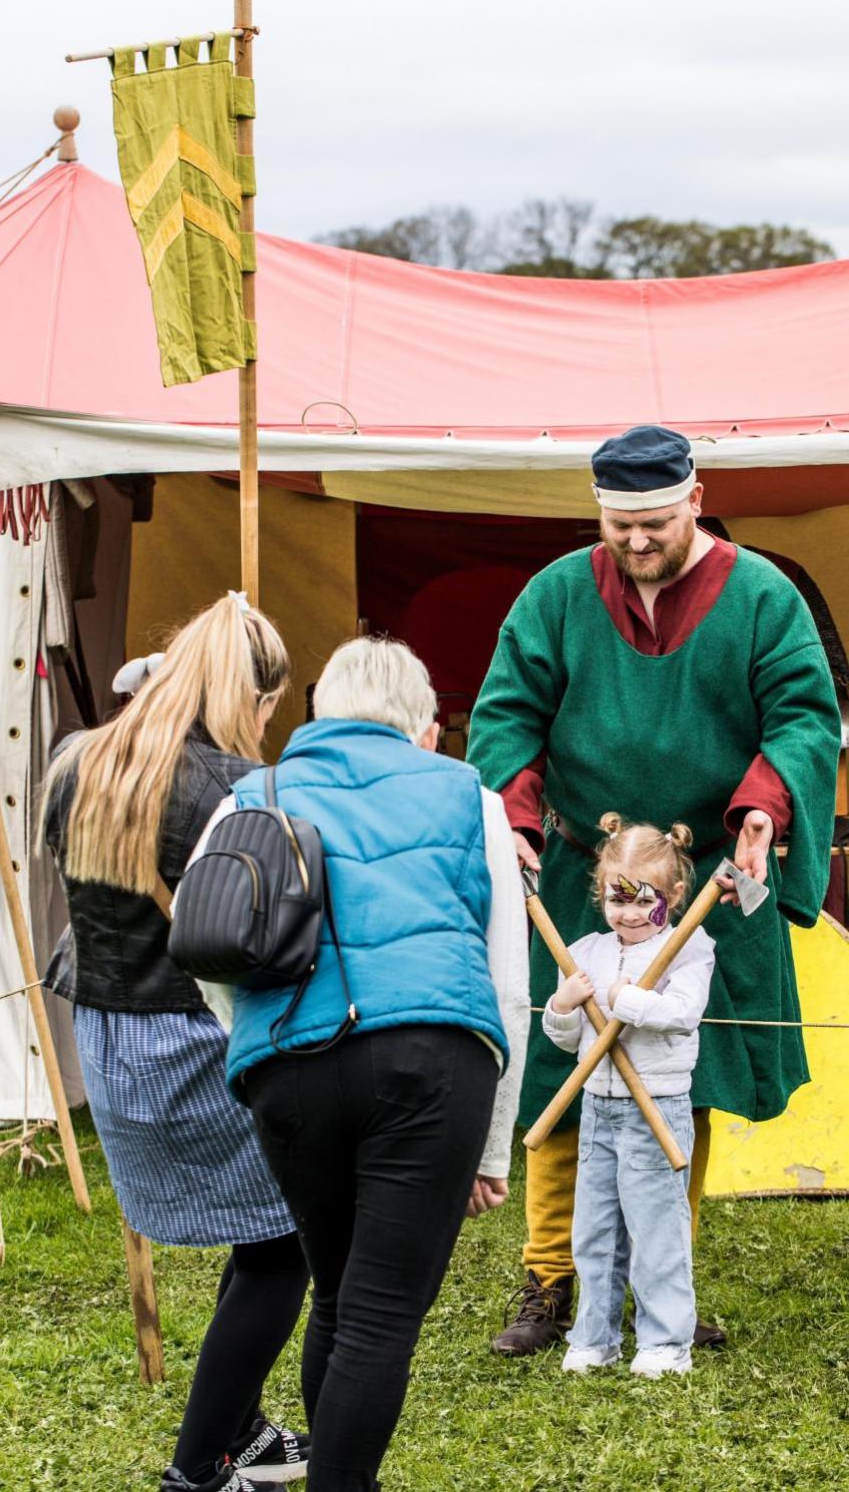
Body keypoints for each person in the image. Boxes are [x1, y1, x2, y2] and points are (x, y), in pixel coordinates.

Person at [467, 424, 841, 1358]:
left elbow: (805, 713)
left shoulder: (762, 597)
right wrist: (510, 817)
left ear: (696, 495)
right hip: (582, 873)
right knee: (564, 1067)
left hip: (711, 880)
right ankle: (552, 1279)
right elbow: (506, 710)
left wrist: (764, 808)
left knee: (685, 1073)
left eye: (656, 521)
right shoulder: (556, 593)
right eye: (619, 522)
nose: (636, 540)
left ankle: (659, 1282)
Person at [188, 637, 530, 1492]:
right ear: (426, 727)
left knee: (339, 1298)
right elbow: (507, 980)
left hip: (291, 1065)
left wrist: (250, 1035)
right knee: (378, 1318)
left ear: (318, 713)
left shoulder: (249, 794)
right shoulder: (469, 794)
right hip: (433, 1056)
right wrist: (493, 1146)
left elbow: (201, 940)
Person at [41, 593, 311, 1492]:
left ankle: (248, 1435)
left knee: (262, 1234)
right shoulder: (235, 787)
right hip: (192, 1040)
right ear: (249, 691)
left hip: (111, 1039)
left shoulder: (76, 760)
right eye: (269, 705)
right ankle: (198, 1470)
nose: (268, 724)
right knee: (284, 1242)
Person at [542, 814, 715, 1378]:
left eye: (645, 902)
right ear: (601, 894)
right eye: (617, 900)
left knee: (656, 1229)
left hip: (655, 1107)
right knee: (594, 1230)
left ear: (674, 895)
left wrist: (626, 1000)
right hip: (598, 1106)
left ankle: (666, 1342)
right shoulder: (586, 951)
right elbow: (566, 1039)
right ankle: (595, 1336)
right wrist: (565, 1006)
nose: (631, 914)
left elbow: (683, 1015)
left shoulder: (689, 947)